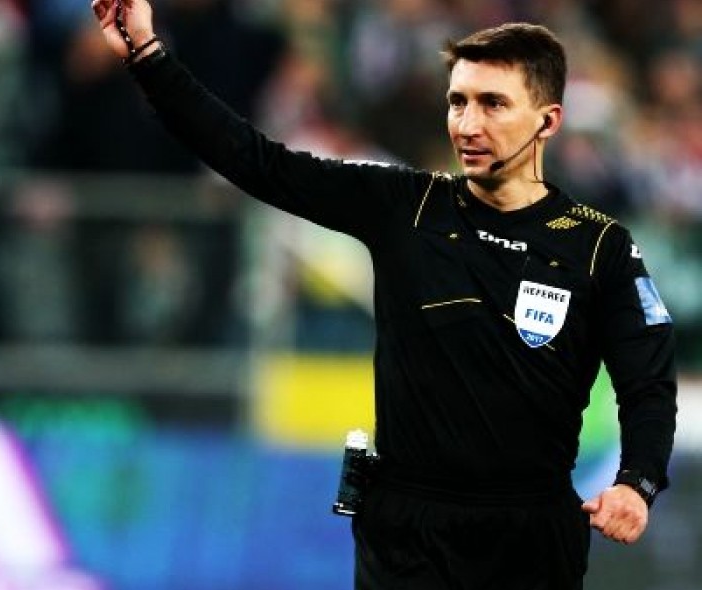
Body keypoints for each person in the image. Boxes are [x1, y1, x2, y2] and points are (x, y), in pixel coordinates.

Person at [89, 2, 678, 588]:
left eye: (493, 104)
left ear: (548, 121)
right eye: (458, 102)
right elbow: (256, 161)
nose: (467, 124)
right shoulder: (404, 205)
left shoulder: (597, 246)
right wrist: (148, 56)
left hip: (530, 535)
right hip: (406, 531)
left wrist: (637, 481)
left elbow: (648, 382)